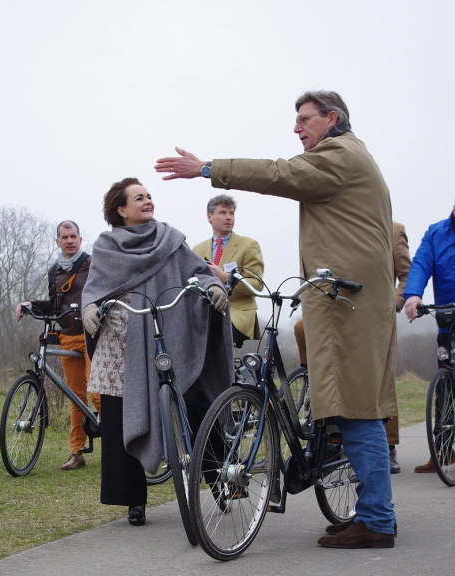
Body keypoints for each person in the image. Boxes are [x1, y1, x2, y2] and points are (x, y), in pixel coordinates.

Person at [155, 90, 398, 548]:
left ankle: (378, 520)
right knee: (349, 407)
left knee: (356, 409)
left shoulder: (339, 154)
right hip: (349, 298)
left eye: (304, 119)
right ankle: (369, 510)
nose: (296, 128)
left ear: (332, 118)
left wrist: (208, 168)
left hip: (348, 300)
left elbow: (279, 173)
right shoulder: (351, 154)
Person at [81, 178, 233, 526]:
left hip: (166, 335)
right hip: (119, 343)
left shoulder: (170, 239)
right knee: (121, 418)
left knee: (193, 399)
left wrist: (213, 287)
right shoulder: (105, 246)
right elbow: (94, 289)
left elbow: (199, 271)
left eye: (149, 196)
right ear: (121, 209)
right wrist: (89, 308)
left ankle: (221, 477)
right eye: (139, 198)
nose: (148, 201)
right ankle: (134, 501)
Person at [292, 220, 411, 474]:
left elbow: (406, 275)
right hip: (343, 307)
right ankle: (313, 383)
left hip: (375, 311)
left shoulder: (393, 229)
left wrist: (395, 303)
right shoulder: (345, 224)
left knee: (377, 381)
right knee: (301, 328)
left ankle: (388, 447)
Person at [15, 221, 101, 471]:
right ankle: (77, 452)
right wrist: (29, 304)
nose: (69, 240)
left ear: (81, 239)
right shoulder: (54, 271)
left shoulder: (92, 264)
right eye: (65, 237)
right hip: (67, 336)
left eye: (73, 236)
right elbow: (54, 304)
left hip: (92, 336)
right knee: (76, 397)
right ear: (58, 242)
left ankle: (118, 450)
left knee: (99, 394)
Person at [404, 202, 455, 473]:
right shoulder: (437, 233)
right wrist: (413, 294)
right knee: (445, 381)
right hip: (448, 320)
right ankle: (444, 452)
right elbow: (421, 264)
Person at [193, 194, 263, 348]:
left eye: (231, 213)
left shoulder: (249, 245)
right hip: (207, 310)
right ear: (209, 217)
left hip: (237, 312)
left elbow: (257, 285)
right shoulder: (198, 249)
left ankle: (222, 372)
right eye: (223, 213)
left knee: (214, 334)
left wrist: (225, 277)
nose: (228, 218)